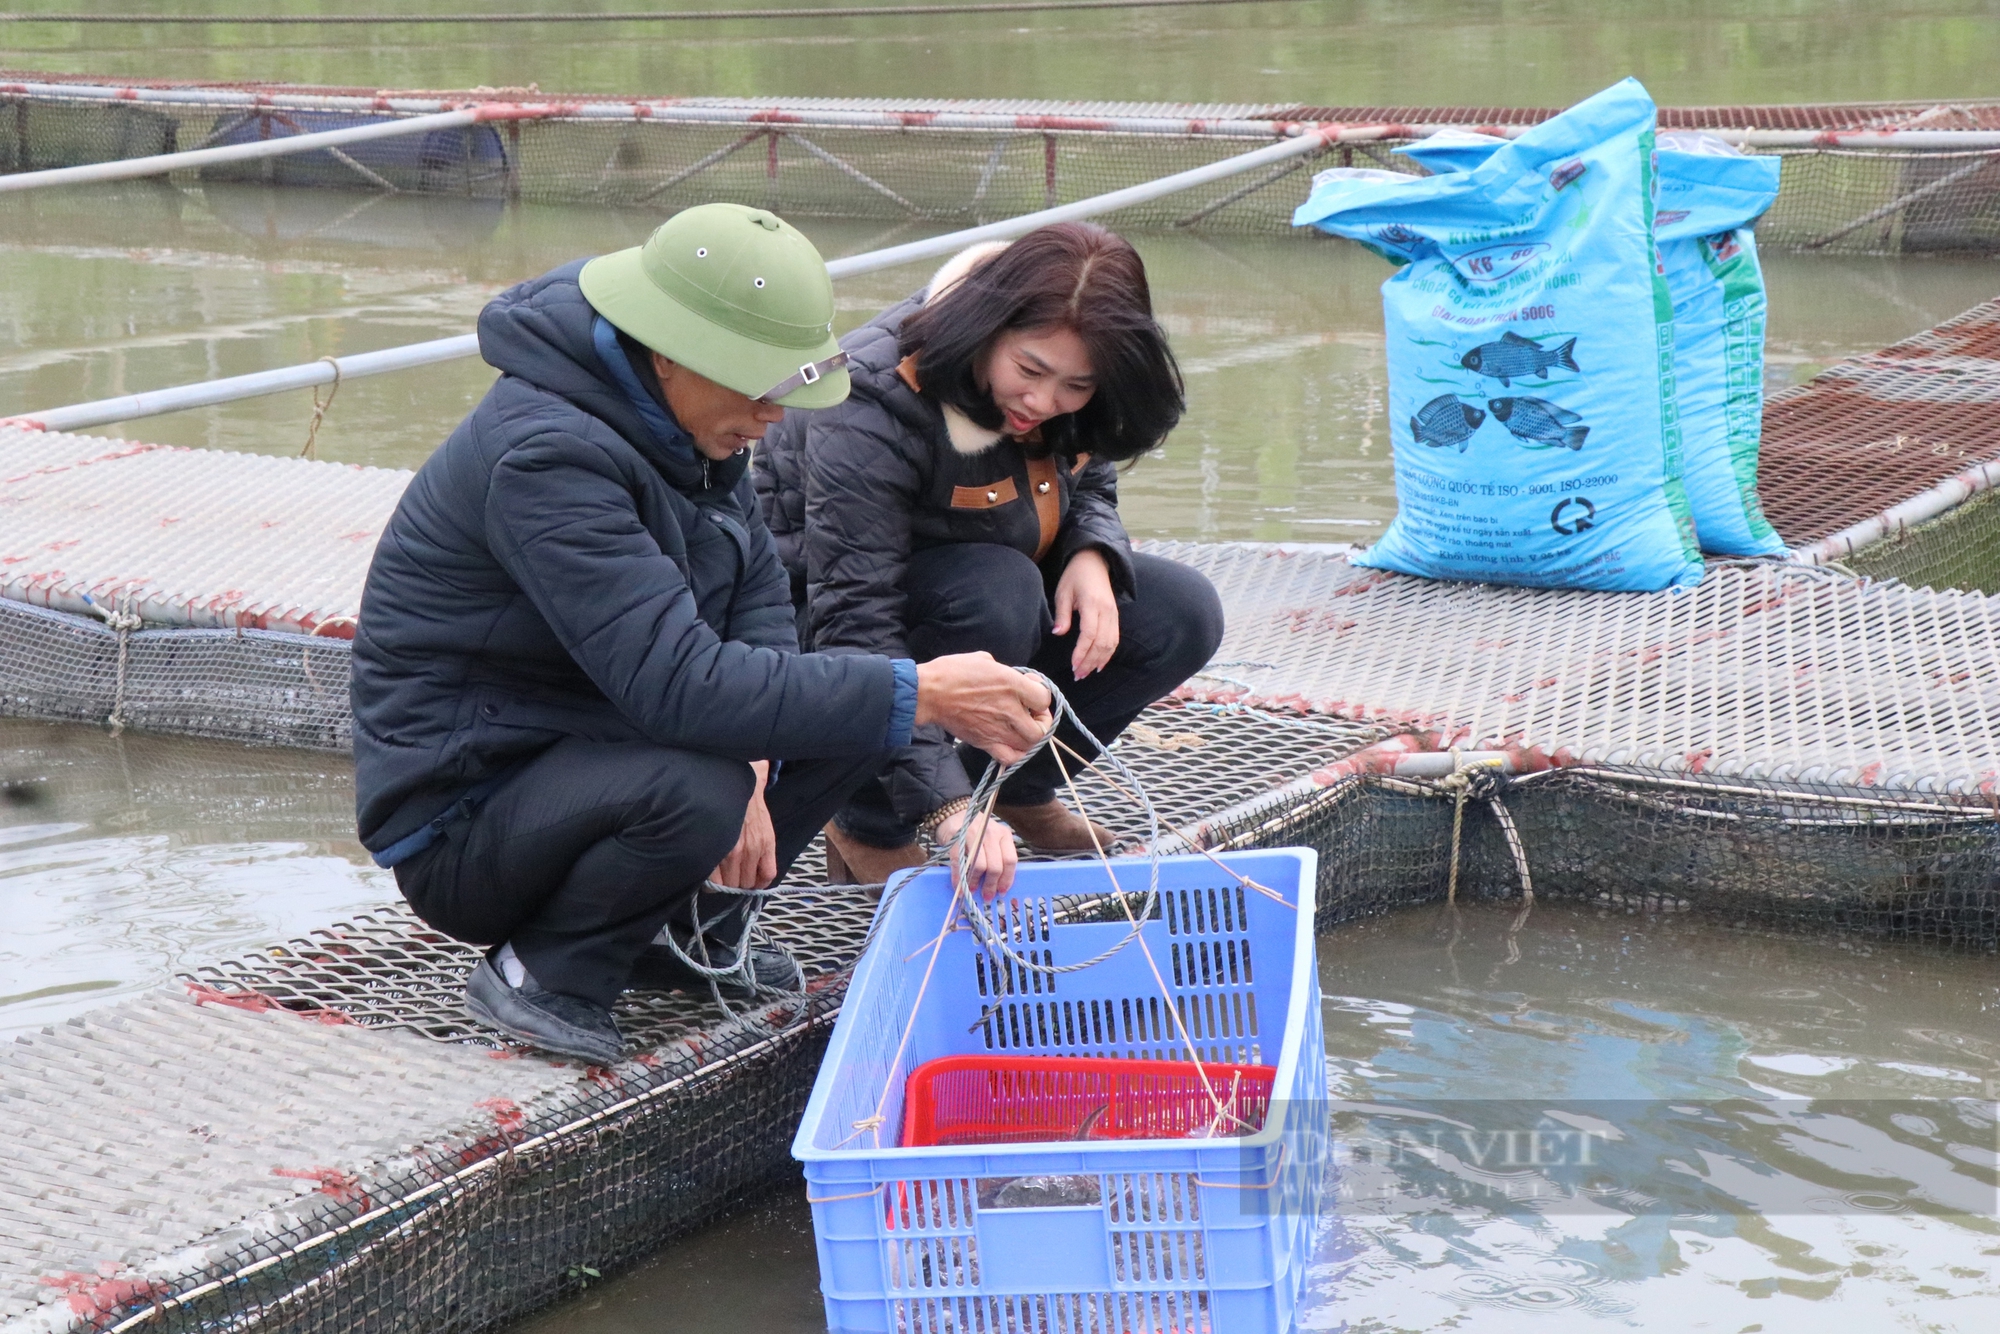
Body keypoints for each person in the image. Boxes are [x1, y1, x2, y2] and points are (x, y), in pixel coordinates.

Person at [350, 203, 1052, 1066]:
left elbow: (755, 589)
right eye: (762, 388)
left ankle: (692, 932)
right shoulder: (547, 456)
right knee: (722, 775)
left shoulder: (687, 423)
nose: (775, 416)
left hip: (599, 739)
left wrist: (763, 760)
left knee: (847, 704)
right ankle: (548, 969)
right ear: (673, 355)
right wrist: (928, 691)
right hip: (473, 812)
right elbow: (678, 685)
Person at [755, 222, 1224, 887]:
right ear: (985, 328)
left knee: (1180, 611)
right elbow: (855, 622)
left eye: (1077, 386)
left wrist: (1091, 551)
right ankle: (870, 818)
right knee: (995, 596)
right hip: (825, 624)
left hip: (988, 579)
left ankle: (1014, 789)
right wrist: (942, 809)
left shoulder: (1067, 394)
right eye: (1029, 370)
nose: (1044, 402)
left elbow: (1089, 469)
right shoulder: (868, 397)